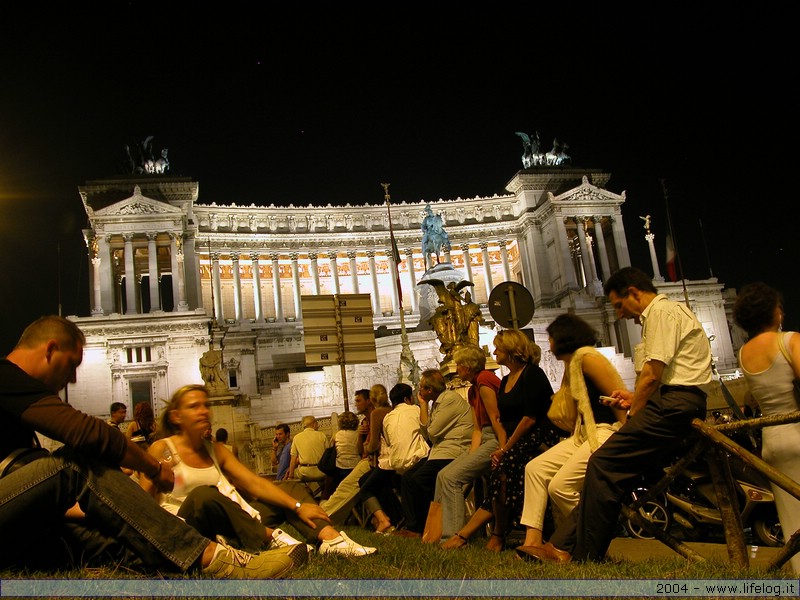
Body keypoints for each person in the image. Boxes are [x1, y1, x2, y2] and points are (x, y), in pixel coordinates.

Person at [0, 315, 306, 579]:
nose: (72, 378)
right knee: (73, 465)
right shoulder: (5, 377)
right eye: (71, 366)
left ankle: (191, 558)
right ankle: (213, 558)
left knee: (107, 543)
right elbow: (86, 433)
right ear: (51, 350)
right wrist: (152, 467)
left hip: (20, 524)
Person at [521, 267, 712, 564]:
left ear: (634, 292)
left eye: (620, 305)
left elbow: (652, 374)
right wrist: (635, 399)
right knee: (604, 468)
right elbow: (668, 374)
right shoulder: (662, 315)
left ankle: (583, 554)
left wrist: (635, 412)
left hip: (675, 405)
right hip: (672, 400)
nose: (620, 315)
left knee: (602, 464)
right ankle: (562, 546)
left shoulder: (661, 313)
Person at [141, 384, 376, 557]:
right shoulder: (162, 448)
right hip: (192, 525)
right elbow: (141, 502)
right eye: (194, 407)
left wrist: (296, 506)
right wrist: (155, 475)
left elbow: (255, 483)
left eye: (205, 405)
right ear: (176, 416)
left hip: (232, 520)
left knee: (289, 488)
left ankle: (330, 541)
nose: (204, 411)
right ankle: (269, 537)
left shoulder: (216, 450)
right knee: (204, 494)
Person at [516, 314, 628, 556]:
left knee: (560, 486)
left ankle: (591, 540)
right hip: (583, 434)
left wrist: (626, 436)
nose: (549, 344)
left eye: (551, 337)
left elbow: (618, 397)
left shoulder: (588, 358)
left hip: (604, 432)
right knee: (535, 469)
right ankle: (533, 540)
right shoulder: (573, 364)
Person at [441, 328, 562, 551]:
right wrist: (503, 448)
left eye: (498, 347)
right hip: (516, 440)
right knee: (501, 471)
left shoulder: (532, 374)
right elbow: (500, 419)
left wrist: (505, 448)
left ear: (511, 349)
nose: (494, 351)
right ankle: (482, 535)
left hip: (538, 436)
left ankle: (483, 535)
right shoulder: (505, 379)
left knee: (504, 469)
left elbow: (529, 418)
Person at [733, 282, 800, 575]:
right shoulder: (790, 341)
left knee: (792, 517)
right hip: (797, 431)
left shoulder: (744, 353)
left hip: (772, 441)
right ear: (774, 311)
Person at [429, 344, 503, 542]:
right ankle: (433, 532)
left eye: (459, 364)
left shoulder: (485, 379)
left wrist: (503, 449)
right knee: (443, 475)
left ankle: (452, 537)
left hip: (496, 439)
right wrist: (471, 455)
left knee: (453, 477)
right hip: (485, 439)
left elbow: (496, 420)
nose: (456, 368)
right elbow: (477, 428)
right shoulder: (472, 390)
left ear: (467, 366)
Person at [393, 369, 472, 538]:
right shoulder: (437, 402)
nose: (418, 390)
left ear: (429, 390)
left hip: (452, 451)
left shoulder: (449, 400)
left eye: (421, 387)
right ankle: (413, 526)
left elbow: (432, 432)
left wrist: (423, 408)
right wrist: (423, 405)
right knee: (407, 478)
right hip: (438, 452)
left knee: (419, 480)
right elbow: (426, 430)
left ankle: (425, 526)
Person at [358, 383, 429, 534]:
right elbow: (426, 428)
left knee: (366, 486)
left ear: (371, 400)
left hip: (392, 463)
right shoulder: (413, 410)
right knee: (378, 483)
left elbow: (376, 445)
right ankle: (395, 519)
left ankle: (385, 520)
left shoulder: (382, 416)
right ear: (408, 398)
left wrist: (363, 444)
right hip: (409, 461)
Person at [319, 390, 374, 524]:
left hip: (345, 469)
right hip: (356, 465)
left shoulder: (337, 435)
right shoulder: (359, 430)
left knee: (331, 482)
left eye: (358, 400)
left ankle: (324, 507)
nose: (356, 404)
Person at [323, 411, 360, 498]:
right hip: (355, 467)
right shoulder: (358, 434)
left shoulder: (337, 435)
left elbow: (331, 449)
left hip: (340, 468)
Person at [288, 415, 329, 482]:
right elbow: (328, 454)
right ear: (313, 424)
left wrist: (290, 476)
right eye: (317, 424)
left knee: (294, 472)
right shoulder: (322, 435)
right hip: (321, 471)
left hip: (305, 473)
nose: (318, 426)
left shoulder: (297, 437)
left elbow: (293, 459)